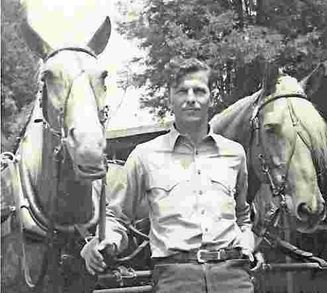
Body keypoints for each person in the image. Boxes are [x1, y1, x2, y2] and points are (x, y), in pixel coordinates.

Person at [81, 57, 256, 292]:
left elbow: (242, 216)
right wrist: (105, 242)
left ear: (210, 98)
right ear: (170, 99)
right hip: (175, 278)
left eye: (199, 91)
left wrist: (247, 240)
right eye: (182, 91)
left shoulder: (235, 153)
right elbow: (117, 218)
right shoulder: (144, 155)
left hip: (233, 276)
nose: (191, 98)